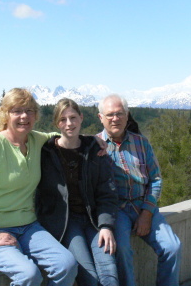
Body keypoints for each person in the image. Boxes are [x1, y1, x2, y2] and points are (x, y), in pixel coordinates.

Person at [0, 88, 81, 286]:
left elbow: (62, 137)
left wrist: (95, 141)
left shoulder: (36, 140)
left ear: (36, 115)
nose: (24, 116)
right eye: (16, 111)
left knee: (66, 265)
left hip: (28, 227)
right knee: (29, 275)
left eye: (29, 111)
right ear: (5, 115)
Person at [96, 94, 182, 286]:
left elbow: (156, 179)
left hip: (143, 204)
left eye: (119, 114)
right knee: (122, 251)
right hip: (116, 210)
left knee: (172, 247)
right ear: (100, 117)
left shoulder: (141, 143)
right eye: (110, 115)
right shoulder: (94, 146)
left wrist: (147, 213)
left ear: (127, 116)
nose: (115, 119)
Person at [36, 98, 119, 286]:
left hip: (94, 220)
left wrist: (106, 225)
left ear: (81, 118)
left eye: (73, 117)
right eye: (63, 119)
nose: (69, 124)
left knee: (109, 274)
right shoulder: (46, 153)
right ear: (56, 123)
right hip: (66, 224)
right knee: (89, 277)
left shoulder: (94, 150)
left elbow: (107, 192)